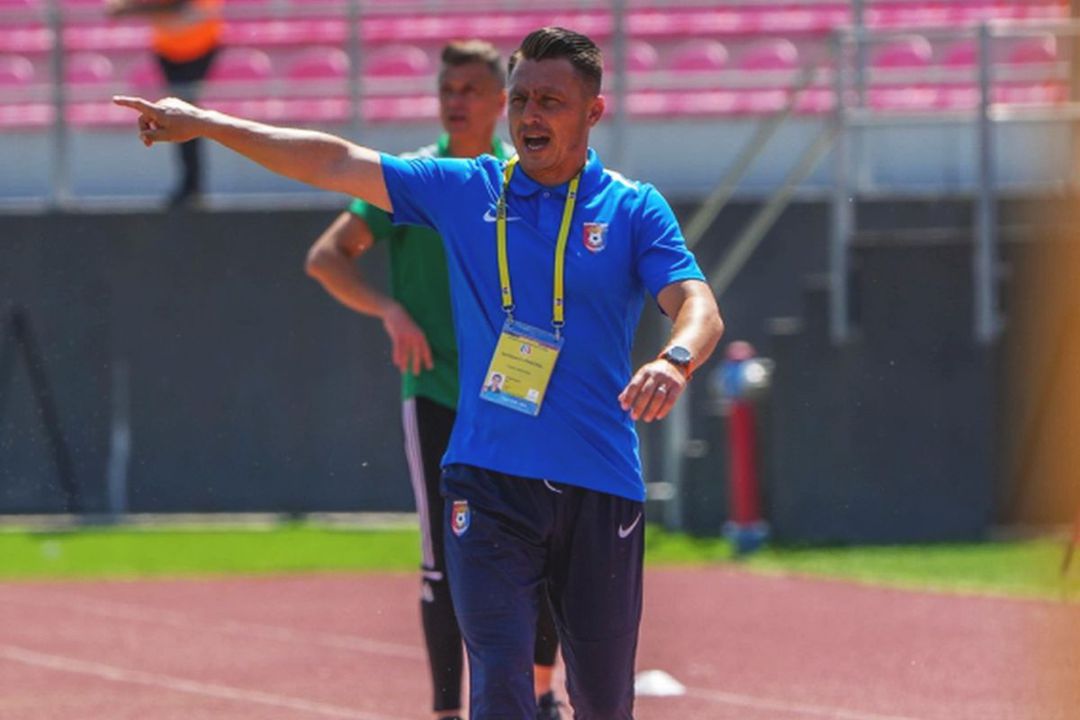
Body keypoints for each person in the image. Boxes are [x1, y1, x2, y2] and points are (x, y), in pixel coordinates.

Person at [113, 25, 724, 720]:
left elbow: (697, 304)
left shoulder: (633, 208)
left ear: (594, 112)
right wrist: (207, 123)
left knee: (603, 702)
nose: (530, 115)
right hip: (488, 482)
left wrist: (675, 359)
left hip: (600, 483)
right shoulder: (466, 189)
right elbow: (335, 162)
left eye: (550, 101)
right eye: (521, 99)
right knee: (499, 687)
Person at [303, 40, 563, 720]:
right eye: (447, 89)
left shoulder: (525, 179)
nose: (456, 101)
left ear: (502, 102)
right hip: (435, 388)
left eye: (470, 89)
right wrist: (390, 311)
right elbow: (327, 258)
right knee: (444, 553)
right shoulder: (412, 180)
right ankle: (448, 709)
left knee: (540, 540)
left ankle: (543, 691)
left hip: (514, 391)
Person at [106, 0, 222, 207]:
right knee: (180, 115)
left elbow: (182, 9)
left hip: (198, 46)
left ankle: (192, 185)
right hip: (168, 48)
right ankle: (190, 185)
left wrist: (130, 9)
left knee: (185, 116)